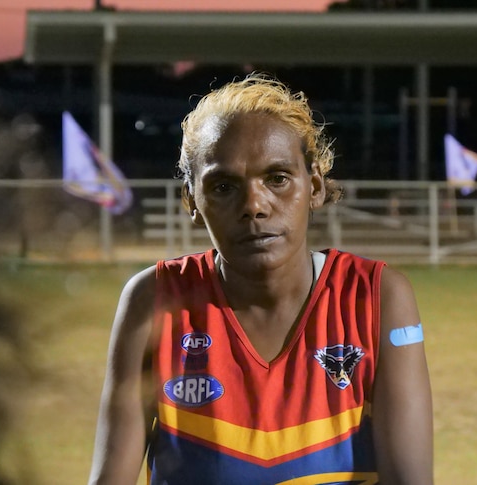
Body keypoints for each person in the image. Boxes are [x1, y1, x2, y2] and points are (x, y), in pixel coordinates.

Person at [87, 73, 433, 484]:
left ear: (316, 187)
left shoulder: (376, 297)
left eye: (277, 179)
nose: (254, 205)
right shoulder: (155, 299)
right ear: (192, 201)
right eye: (224, 186)